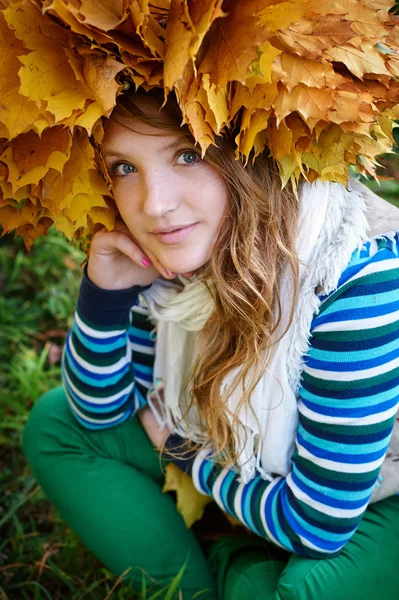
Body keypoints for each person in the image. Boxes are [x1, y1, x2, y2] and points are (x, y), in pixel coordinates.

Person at [23, 86, 399, 600]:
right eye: (123, 168)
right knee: (55, 424)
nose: (155, 205)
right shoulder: (169, 250)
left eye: (188, 153)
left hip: (373, 497)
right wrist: (103, 298)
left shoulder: (353, 273)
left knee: (308, 593)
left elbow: (319, 523)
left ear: (252, 149)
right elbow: (98, 411)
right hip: (240, 459)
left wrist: (180, 452)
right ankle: (204, 581)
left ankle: (232, 557)